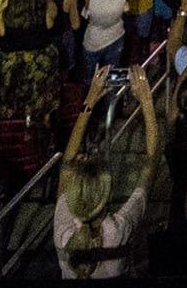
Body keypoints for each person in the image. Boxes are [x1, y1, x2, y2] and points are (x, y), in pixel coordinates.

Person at [54, 63, 158, 279]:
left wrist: (89, 102)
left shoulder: (63, 232)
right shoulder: (117, 230)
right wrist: (147, 102)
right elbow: (150, 163)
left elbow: (66, 165)